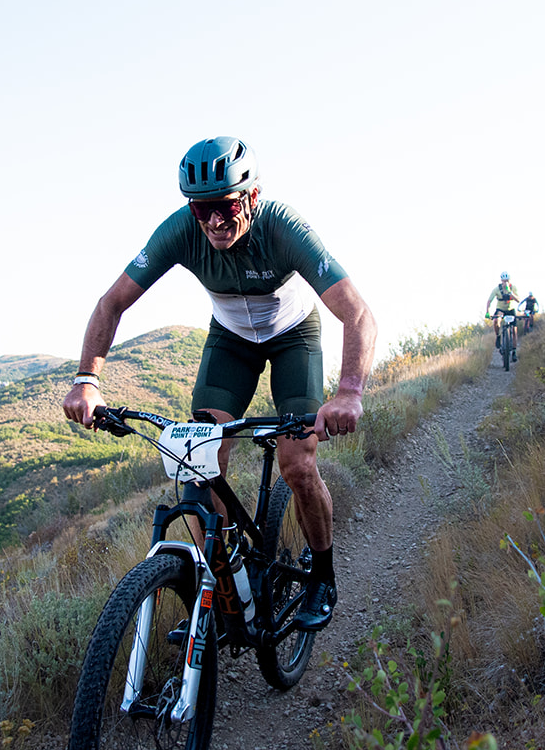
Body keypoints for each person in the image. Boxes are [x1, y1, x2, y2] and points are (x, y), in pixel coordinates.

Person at [62, 136, 377, 633]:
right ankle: (227, 579)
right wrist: (86, 380)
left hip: (294, 337)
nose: (212, 221)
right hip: (231, 342)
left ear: (252, 197)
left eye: (225, 206)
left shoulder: (283, 227)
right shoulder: (180, 230)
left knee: (298, 463)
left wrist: (350, 393)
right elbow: (112, 303)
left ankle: (322, 576)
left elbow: (357, 313)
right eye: (201, 208)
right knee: (198, 462)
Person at [485, 272, 521, 347]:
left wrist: (510, 292)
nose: (505, 283)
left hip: (510, 309)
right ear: (501, 281)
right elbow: (489, 301)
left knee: (514, 330)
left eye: (507, 281)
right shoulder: (496, 289)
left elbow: (518, 300)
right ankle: (498, 336)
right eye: (504, 281)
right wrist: (487, 312)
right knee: (496, 320)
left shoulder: (513, 288)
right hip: (500, 309)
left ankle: (514, 349)